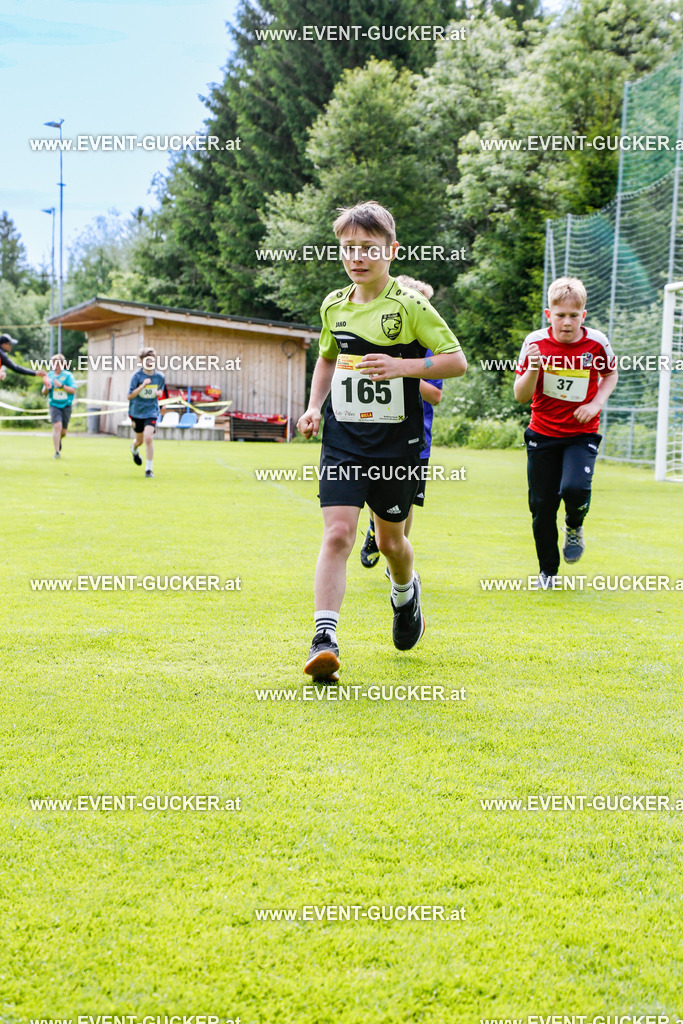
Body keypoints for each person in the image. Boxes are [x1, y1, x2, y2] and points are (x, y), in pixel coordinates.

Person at [297, 200, 467, 682]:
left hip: (397, 443)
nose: (358, 257)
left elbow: (455, 361)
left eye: (369, 248)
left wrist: (402, 366)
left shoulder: (410, 305)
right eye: (349, 248)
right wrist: (314, 406)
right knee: (338, 534)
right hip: (344, 439)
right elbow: (327, 357)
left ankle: (405, 593)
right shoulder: (334, 304)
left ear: (391, 251)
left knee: (392, 541)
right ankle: (324, 639)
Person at [514, 276, 618, 589]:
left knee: (574, 489)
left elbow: (610, 373)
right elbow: (520, 395)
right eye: (561, 315)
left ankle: (574, 525)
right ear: (549, 314)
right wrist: (534, 367)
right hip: (542, 434)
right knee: (542, 507)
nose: (568, 322)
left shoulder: (596, 343)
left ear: (583, 315)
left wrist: (596, 404)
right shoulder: (535, 343)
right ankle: (548, 572)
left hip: (581, 434)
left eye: (574, 315)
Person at [360, 274, 443, 571]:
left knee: (405, 504)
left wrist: (403, 370)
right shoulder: (376, 339)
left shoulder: (431, 346)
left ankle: (396, 559)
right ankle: (375, 530)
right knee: (376, 492)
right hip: (377, 435)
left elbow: (435, 395)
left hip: (416, 441)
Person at [127, 348, 165, 478]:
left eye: (151, 360)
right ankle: (134, 449)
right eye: (147, 360)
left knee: (148, 437)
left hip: (151, 411)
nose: (149, 363)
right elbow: (129, 396)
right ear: (141, 362)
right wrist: (142, 385)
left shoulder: (160, 377)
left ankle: (149, 469)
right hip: (137, 412)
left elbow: (160, 390)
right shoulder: (136, 377)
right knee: (140, 441)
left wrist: (159, 393)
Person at [42, 353, 78, 458]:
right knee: (57, 426)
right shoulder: (49, 376)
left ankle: (59, 440)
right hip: (54, 405)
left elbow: (73, 390)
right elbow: (44, 393)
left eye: (58, 364)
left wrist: (61, 386)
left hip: (66, 405)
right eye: (54, 364)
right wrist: (46, 388)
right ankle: (57, 452)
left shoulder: (68, 375)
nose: (56, 367)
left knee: (63, 432)